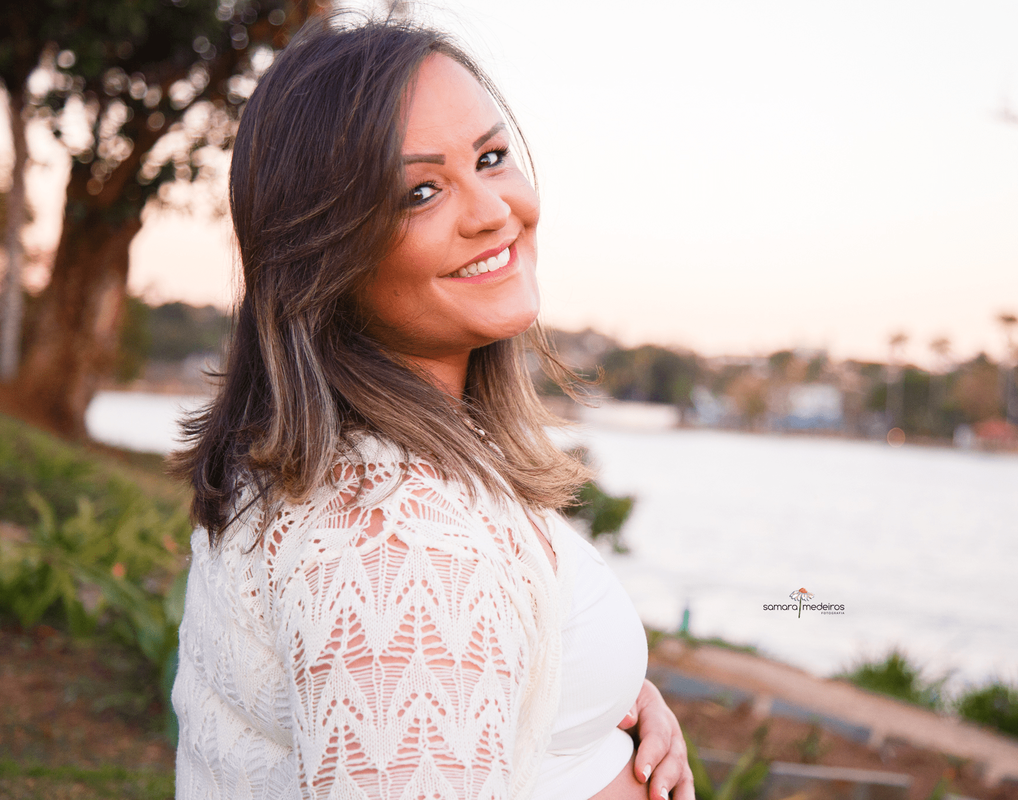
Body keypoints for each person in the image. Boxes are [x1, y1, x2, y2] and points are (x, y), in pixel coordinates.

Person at [168, 15, 694, 800]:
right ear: (325, 252)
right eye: (420, 191)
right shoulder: (392, 542)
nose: (491, 211)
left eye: (491, 157)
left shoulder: (372, 465)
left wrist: (589, 709)